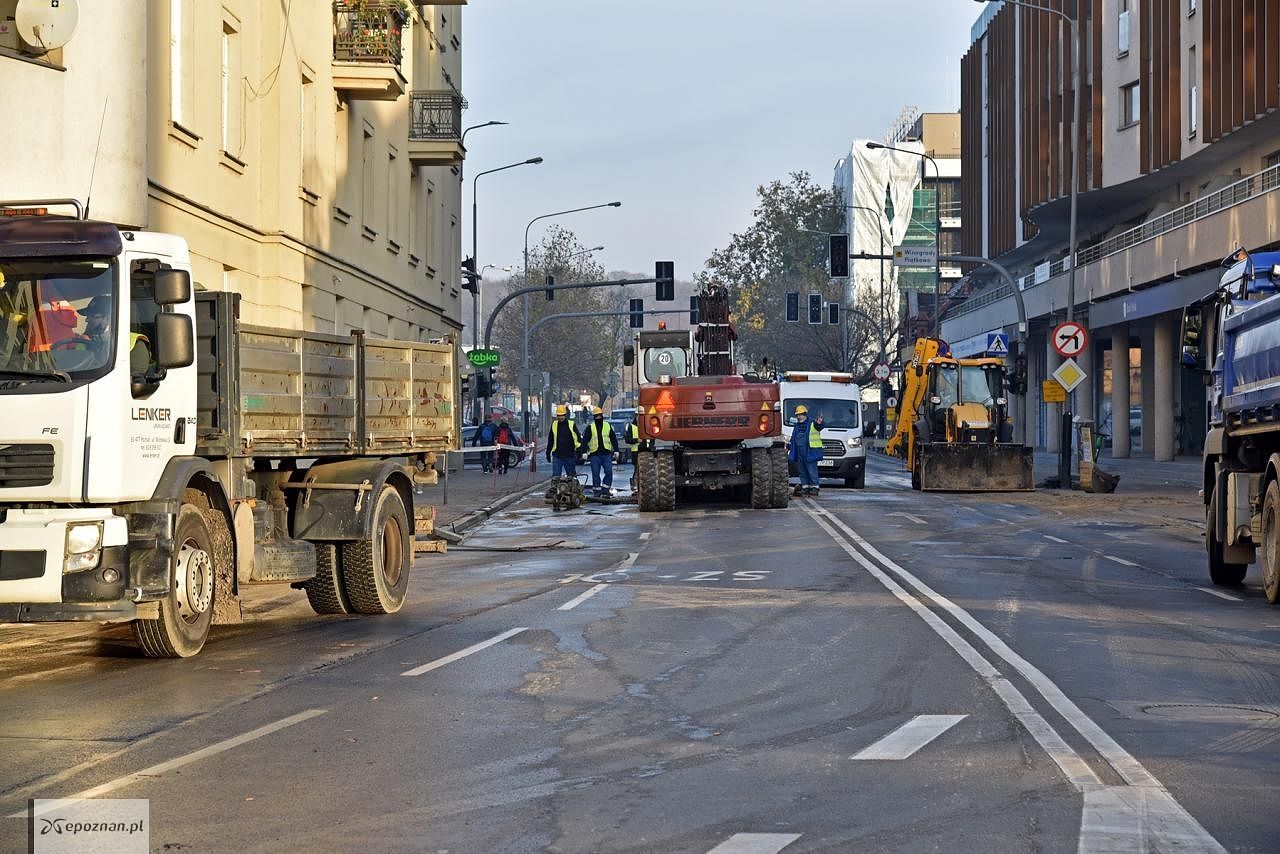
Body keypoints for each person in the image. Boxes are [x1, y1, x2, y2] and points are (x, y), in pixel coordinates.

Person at [788, 404, 825, 497]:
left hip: (810, 452)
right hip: (799, 453)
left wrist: (820, 423)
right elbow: (793, 439)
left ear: (805, 414)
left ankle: (815, 488)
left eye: (800, 414)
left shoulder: (813, 423)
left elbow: (819, 426)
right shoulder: (797, 426)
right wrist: (788, 447)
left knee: (812, 470)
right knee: (802, 471)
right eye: (797, 415)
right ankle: (805, 488)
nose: (798, 416)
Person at [583, 406, 618, 497]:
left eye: (599, 416)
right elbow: (585, 441)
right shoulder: (590, 427)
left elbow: (613, 439)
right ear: (594, 417)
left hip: (606, 454)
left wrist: (616, 450)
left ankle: (606, 489)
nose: (598, 418)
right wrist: (583, 452)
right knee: (595, 473)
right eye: (596, 416)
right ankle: (597, 490)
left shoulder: (607, 426)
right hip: (595, 455)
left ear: (602, 416)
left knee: (609, 471)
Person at [545, 404, 580, 478]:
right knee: (556, 477)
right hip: (557, 456)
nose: (560, 417)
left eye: (562, 415)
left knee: (571, 477)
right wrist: (548, 452)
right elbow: (551, 440)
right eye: (558, 415)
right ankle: (556, 489)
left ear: (565, 415)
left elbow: (578, 439)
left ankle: (571, 489)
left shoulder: (571, 424)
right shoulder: (554, 424)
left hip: (569, 456)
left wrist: (579, 451)